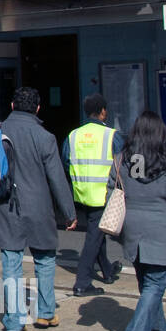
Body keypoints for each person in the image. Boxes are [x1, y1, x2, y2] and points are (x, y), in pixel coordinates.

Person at [0, 87, 77, 331]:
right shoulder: (45, 137)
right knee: (45, 260)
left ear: (12, 105)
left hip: (6, 206)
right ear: (38, 108)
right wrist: (69, 212)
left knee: (11, 263)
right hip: (39, 207)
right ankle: (46, 313)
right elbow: (57, 179)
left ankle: (14, 321)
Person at [112, 110, 166, 331]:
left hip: (132, 229)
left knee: (148, 285)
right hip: (161, 230)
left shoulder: (122, 160)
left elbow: (111, 191)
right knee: (155, 285)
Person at [63, 93, 124, 297]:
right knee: (93, 237)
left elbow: (66, 161)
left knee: (96, 232)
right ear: (103, 111)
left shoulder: (73, 135)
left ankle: (107, 271)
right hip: (103, 194)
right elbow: (122, 165)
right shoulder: (111, 135)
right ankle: (82, 282)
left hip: (81, 193)